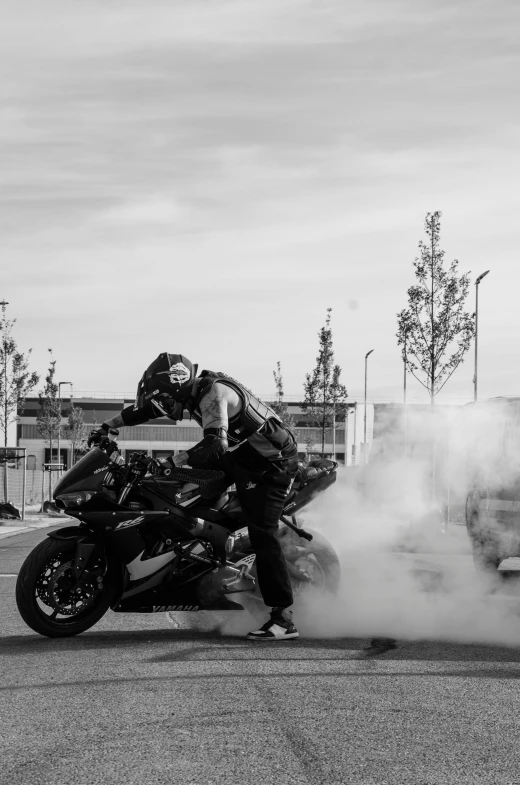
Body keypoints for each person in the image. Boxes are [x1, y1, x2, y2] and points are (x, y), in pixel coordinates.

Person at [89, 353, 300, 641]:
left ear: (178, 386)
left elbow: (215, 446)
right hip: (238, 455)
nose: (161, 407)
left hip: (270, 463)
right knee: (181, 489)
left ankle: (282, 619)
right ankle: (203, 558)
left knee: (262, 531)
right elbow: (144, 411)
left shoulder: (214, 393)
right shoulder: (188, 393)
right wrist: (108, 426)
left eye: (164, 399)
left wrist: (172, 460)